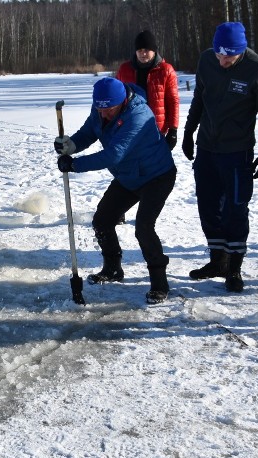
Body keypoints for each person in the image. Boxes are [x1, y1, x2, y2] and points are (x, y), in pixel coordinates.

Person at [54, 77, 177, 304]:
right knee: (102, 220)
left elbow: (114, 154)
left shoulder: (139, 116)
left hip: (156, 176)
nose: (103, 114)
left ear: (121, 103)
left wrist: (75, 164)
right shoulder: (102, 106)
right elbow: (90, 131)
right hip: (128, 176)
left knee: (144, 227)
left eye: (108, 110)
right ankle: (112, 269)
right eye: (99, 109)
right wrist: (70, 145)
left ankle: (160, 284)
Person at [182, 22, 258, 292]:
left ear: (241, 50)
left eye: (230, 56)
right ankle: (218, 260)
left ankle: (234, 267)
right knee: (208, 204)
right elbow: (199, 97)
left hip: (237, 151)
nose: (223, 60)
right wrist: (189, 131)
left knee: (236, 208)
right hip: (207, 148)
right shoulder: (206, 60)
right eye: (219, 54)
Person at [116, 30, 180, 151]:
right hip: (129, 129)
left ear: (154, 50)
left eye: (146, 50)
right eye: (139, 50)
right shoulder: (124, 69)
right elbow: (116, 100)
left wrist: (173, 129)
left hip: (156, 130)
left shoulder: (166, 70)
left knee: (156, 166)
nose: (143, 54)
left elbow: (173, 101)